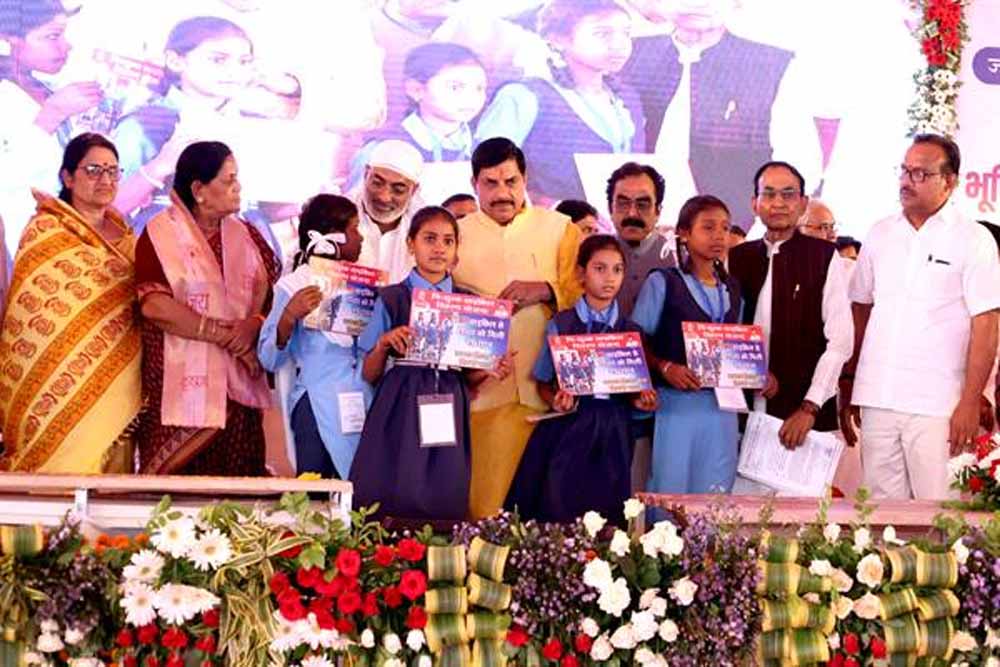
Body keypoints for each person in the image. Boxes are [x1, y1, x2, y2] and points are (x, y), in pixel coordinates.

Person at [841, 135, 1000, 499]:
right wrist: (849, 380)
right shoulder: (880, 233)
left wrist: (970, 399)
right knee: (879, 514)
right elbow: (861, 308)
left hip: (939, 403)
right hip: (877, 396)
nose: (907, 181)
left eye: (921, 174)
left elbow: (986, 323)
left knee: (940, 512)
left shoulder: (973, 239)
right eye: (904, 171)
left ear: (950, 181)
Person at [350, 206, 512, 519]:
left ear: (456, 249)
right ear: (411, 244)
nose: (439, 248)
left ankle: (439, 547)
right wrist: (383, 344)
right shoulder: (391, 298)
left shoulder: (471, 304)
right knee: (396, 479)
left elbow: (470, 376)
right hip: (401, 397)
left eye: (448, 241)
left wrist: (490, 370)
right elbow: (369, 373)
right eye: (429, 239)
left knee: (445, 481)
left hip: (450, 397)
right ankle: (386, 548)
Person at [452, 137, 583, 518]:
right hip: (483, 397)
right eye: (490, 183)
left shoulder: (560, 229)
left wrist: (546, 290)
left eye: (511, 181)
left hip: (551, 397)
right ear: (474, 183)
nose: (502, 193)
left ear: (525, 179)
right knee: (483, 511)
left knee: (548, 514)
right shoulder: (455, 234)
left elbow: (584, 294)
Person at [134, 141, 279, 475]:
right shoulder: (160, 234)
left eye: (236, 178)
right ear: (198, 190)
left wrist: (254, 324)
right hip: (177, 396)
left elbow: (271, 302)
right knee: (178, 498)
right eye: (228, 180)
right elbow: (155, 306)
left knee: (238, 494)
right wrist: (226, 337)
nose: (238, 187)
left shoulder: (248, 236)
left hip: (238, 398)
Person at [0, 133, 140, 473]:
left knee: (110, 481)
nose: (105, 180)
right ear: (67, 177)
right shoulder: (46, 231)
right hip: (52, 377)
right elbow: (29, 315)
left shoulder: (127, 239)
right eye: (93, 170)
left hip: (118, 376)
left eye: (113, 171)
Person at [619, 0, 821, 230]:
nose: (698, 4)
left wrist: (760, 233)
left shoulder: (770, 64)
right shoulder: (626, 54)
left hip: (738, 229)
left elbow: (799, 163)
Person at [506, 234, 657, 524]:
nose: (609, 278)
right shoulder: (562, 324)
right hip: (570, 425)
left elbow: (635, 392)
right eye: (599, 268)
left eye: (617, 270)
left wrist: (643, 400)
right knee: (560, 503)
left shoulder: (631, 331)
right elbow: (543, 382)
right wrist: (556, 400)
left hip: (614, 428)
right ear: (580, 273)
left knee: (607, 509)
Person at [728, 162, 852, 452]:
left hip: (804, 417)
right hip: (742, 411)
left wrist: (810, 406)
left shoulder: (822, 257)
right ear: (754, 203)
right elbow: (726, 334)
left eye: (788, 194)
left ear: (803, 203)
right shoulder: (737, 258)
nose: (778, 203)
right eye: (769, 194)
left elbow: (840, 342)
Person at [475, 0, 644, 204]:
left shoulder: (627, 99)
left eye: (626, 33)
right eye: (602, 33)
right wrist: (551, 207)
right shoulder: (524, 96)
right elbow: (486, 172)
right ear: (557, 39)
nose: (619, 44)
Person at [632, 195, 742, 493]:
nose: (719, 236)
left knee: (717, 493)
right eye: (708, 227)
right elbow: (636, 342)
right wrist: (665, 367)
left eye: (725, 228)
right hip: (676, 404)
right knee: (671, 487)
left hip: (723, 408)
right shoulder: (663, 282)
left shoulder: (733, 288)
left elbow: (739, 344)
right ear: (683, 233)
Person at [257, 194, 370, 479]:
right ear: (333, 237)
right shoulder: (294, 285)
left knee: (361, 492)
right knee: (316, 491)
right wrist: (288, 316)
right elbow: (269, 359)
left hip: (362, 402)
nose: (361, 237)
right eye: (355, 229)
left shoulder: (366, 288)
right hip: (316, 405)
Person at [112, 17, 256, 231]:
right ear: (175, 61)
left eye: (244, 62)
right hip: (166, 241)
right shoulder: (145, 124)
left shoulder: (252, 125)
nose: (234, 71)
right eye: (218, 60)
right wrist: (160, 166)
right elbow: (103, 210)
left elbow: (266, 209)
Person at [0, 0, 103, 254]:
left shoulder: (47, 90)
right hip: (17, 247)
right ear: (8, 39)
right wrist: (51, 116)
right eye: (52, 36)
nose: (67, 45)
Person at [353, 42, 487, 176]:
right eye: (455, 87)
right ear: (416, 90)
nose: (472, 97)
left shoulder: (484, 148)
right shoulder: (383, 148)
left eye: (479, 88)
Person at [606, 162, 675, 317]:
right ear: (610, 208)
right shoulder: (593, 256)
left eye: (642, 205)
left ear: (658, 211)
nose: (632, 213)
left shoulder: (677, 258)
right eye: (623, 204)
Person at [354, 140, 426, 283]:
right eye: (377, 183)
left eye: (398, 190)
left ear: (414, 190)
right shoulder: (334, 217)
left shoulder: (426, 229)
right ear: (366, 174)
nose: (384, 197)